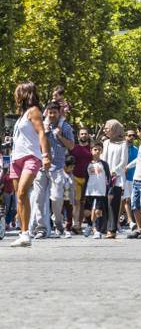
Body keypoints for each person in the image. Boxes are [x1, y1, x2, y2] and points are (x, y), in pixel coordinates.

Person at [8, 82, 52, 247]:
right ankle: (23, 233)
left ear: (25, 94)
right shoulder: (22, 115)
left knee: (22, 191)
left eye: (17, 93)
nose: (15, 96)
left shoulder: (34, 111)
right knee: (20, 197)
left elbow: (42, 132)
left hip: (31, 157)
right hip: (16, 159)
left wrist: (46, 155)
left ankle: (26, 234)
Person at [40, 101, 75, 239]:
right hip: (42, 167)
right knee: (39, 199)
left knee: (56, 198)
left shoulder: (65, 127)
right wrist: (45, 132)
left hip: (58, 168)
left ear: (59, 112)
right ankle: (41, 228)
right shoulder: (42, 126)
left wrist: (59, 136)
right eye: (50, 112)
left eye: (55, 112)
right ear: (47, 112)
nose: (52, 115)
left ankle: (58, 222)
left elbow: (71, 146)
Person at [101, 120, 128, 239]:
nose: (105, 130)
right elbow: (103, 158)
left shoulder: (123, 144)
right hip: (104, 176)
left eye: (108, 128)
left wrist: (114, 171)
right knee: (104, 202)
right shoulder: (106, 142)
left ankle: (112, 229)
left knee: (113, 203)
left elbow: (123, 161)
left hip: (116, 178)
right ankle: (104, 227)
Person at [84, 142, 111, 239]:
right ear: (91, 151)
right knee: (87, 212)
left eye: (99, 149)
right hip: (89, 191)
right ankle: (90, 225)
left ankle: (97, 230)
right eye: (95, 149)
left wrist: (109, 191)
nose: (97, 151)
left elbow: (109, 178)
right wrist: (84, 192)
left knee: (98, 212)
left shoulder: (104, 164)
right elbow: (86, 179)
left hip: (101, 191)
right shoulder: (87, 165)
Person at [69, 128, 93, 234]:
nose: (84, 135)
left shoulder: (92, 148)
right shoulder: (74, 147)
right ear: (78, 136)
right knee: (76, 202)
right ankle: (76, 225)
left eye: (85, 134)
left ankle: (82, 223)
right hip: (75, 177)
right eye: (82, 134)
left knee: (84, 203)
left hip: (89, 179)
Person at [123, 129, 139, 231]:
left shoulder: (136, 149)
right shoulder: (122, 148)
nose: (131, 137)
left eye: (133, 135)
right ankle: (130, 221)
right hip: (122, 178)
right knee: (126, 200)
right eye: (129, 135)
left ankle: (120, 221)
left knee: (128, 201)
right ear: (125, 136)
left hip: (133, 178)